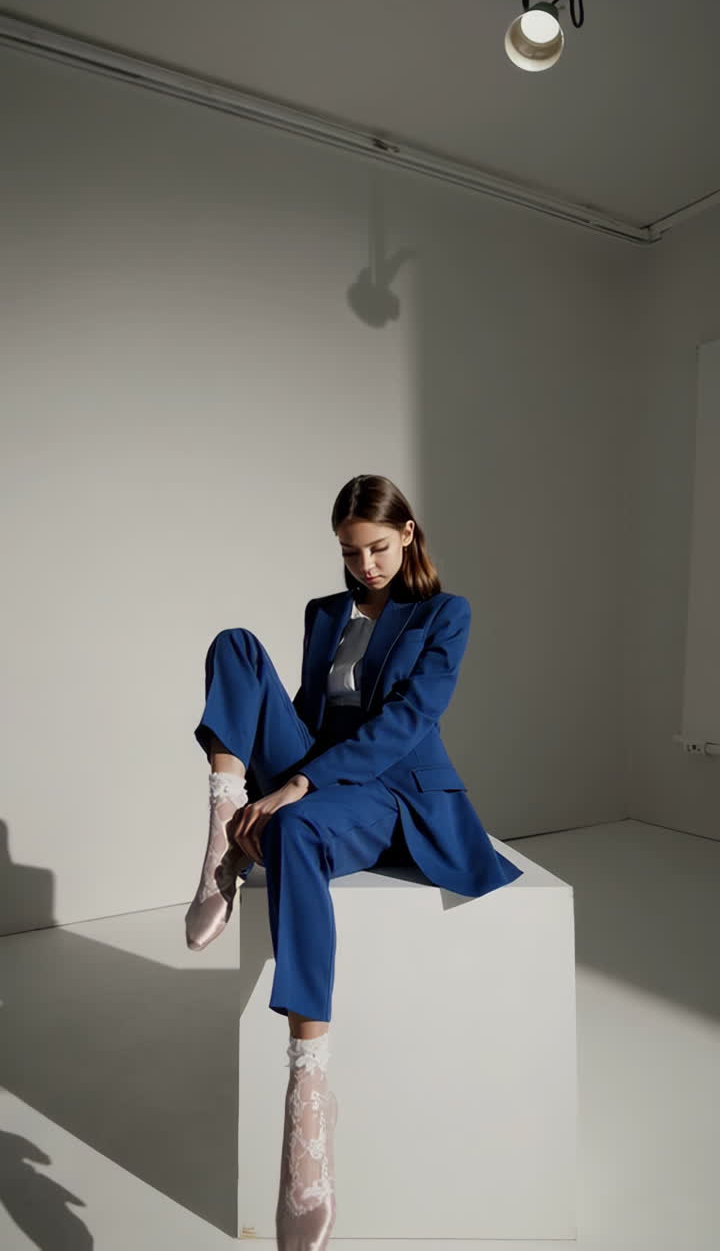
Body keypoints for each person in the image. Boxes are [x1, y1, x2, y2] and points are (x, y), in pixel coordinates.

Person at [184, 473, 523, 1250]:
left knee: (298, 831)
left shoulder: (444, 615)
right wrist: (277, 771)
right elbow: (311, 711)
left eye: (377, 547)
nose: (365, 564)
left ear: (407, 533)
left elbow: (409, 722)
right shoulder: (323, 613)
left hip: (388, 788)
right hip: (321, 766)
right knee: (234, 644)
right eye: (350, 550)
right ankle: (218, 840)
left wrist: (299, 785)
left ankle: (308, 1092)